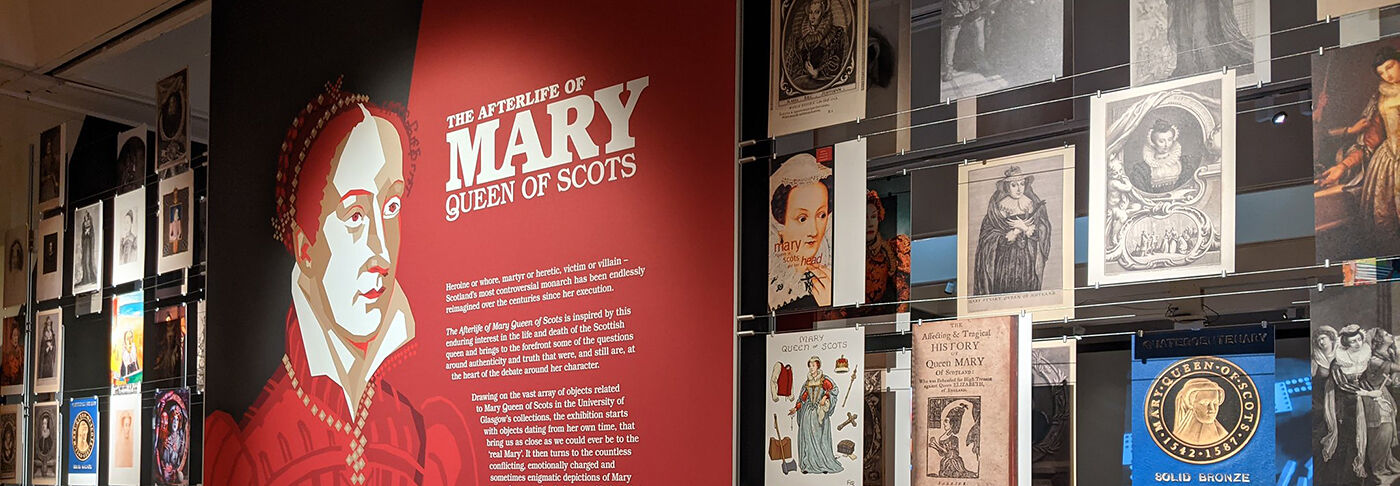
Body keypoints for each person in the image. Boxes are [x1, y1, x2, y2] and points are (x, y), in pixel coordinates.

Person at [205, 80, 472, 486]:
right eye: (355, 216)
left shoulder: (417, 431)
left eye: (392, 206)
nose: (381, 251)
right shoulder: (252, 445)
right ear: (305, 246)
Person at [1319, 48, 1400, 241]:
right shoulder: (1380, 97)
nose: (1387, 75)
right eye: (1381, 72)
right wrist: (1342, 166)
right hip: (1389, 160)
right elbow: (1370, 141)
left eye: (1390, 67)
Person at [1321, 325, 1400, 482]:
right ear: (1346, 343)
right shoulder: (1338, 362)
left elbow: (1366, 379)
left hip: (1365, 393)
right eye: (1352, 341)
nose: (1357, 343)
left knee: (1384, 419)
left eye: (1358, 340)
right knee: (1353, 438)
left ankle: (1382, 465)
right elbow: (1342, 385)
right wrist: (1368, 393)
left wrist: (1374, 392)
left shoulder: (1366, 356)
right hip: (1347, 400)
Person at [769, 153, 834, 312]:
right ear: (781, 220)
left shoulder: (833, 269)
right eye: (802, 218)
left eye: (821, 215)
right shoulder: (772, 279)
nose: (814, 231)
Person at [974, 166, 1051, 296]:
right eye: (1014, 185)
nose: (1019, 189)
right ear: (1007, 187)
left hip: (1026, 256)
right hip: (1005, 259)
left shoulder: (1031, 204)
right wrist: (1013, 233)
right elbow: (987, 238)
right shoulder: (998, 209)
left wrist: (1025, 228)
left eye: (1022, 184)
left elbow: (1043, 230)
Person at [789, 356, 843, 473]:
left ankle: (822, 464)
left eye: (813, 365)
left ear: (818, 366)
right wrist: (795, 408)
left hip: (820, 414)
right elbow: (803, 398)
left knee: (820, 439)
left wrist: (825, 396)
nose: (811, 368)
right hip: (808, 414)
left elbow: (834, 390)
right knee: (807, 439)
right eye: (810, 365)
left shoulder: (824, 380)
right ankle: (808, 464)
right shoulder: (807, 382)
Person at [786, 0, 849, 90]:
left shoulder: (836, 35)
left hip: (825, 84)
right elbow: (794, 65)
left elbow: (836, 62)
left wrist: (817, 72)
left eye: (817, 12)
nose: (812, 17)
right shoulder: (799, 40)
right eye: (810, 12)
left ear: (823, 14)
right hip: (805, 85)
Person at [1132, 120, 1191, 193]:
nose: (1166, 145)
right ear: (1153, 143)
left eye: (1169, 140)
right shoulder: (1142, 169)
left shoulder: (1184, 162)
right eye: (1161, 141)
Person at [941, 0, 993, 81]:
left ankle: (982, 64)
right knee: (951, 41)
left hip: (974, 9)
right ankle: (949, 70)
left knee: (979, 37)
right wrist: (958, 6)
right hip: (955, 11)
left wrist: (982, 7)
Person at [1172, 378, 1229, 445]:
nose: (1212, 409)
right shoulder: (1181, 437)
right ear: (1191, 403)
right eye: (1205, 403)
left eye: (1215, 403)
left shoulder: (1222, 434)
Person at [929, 404, 976, 478]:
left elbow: (950, 454)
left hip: (954, 464)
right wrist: (934, 446)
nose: (944, 423)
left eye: (946, 421)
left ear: (952, 424)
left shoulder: (954, 439)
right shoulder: (942, 437)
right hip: (945, 463)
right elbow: (942, 453)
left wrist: (935, 444)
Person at [76, 211, 95, 286]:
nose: (86, 221)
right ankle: (85, 278)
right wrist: (85, 234)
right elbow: (82, 237)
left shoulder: (90, 227)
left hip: (88, 247)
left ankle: (89, 278)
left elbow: (91, 236)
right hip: (84, 246)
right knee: (84, 261)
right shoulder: (83, 227)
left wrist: (88, 233)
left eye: (87, 219)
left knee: (87, 261)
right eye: (85, 219)